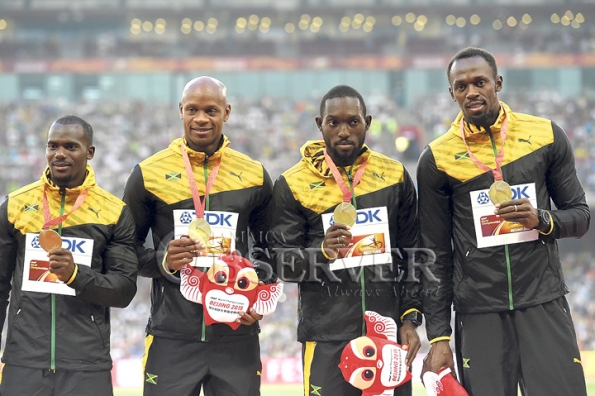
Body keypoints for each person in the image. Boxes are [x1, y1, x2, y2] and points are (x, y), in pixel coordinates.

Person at [418, 47, 591, 395]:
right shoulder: (437, 159)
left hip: (542, 300)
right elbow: (434, 252)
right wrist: (438, 335)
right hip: (479, 312)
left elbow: (581, 216)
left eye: (480, 82)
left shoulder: (546, 135)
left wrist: (542, 220)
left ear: (498, 83)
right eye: (461, 86)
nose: (471, 92)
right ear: (451, 93)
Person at [122, 76, 273, 396]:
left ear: (227, 112)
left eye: (211, 110)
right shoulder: (149, 173)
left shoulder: (255, 174)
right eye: (192, 109)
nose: (201, 118)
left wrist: (260, 295)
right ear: (180, 111)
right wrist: (162, 260)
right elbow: (121, 249)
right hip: (172, 338)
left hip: (236, 337)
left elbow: (271, 248)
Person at [270, 85, 422, 396]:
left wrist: (410, 318)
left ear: (367, 122)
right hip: (325, 338)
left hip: (387, 336)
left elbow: (413, 255)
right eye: (333, 122)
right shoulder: (292, 183)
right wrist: (321, 252)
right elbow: (281, 262)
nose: (343, 131)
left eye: (352, 122)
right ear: (319, 124)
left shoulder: (395, 176)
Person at [0, 115, 138, 396]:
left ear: (90, 152)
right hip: (23, 362)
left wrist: (76, 276)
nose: (59, 154)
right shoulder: (16, 205)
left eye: (70, 146)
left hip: (86, 365)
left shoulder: (114, 212)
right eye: (53, 146)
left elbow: (124, 290)